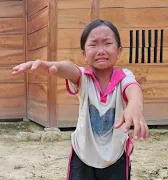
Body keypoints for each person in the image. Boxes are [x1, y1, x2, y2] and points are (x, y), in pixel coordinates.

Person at [12, 19, 149, 180]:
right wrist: (50, 66)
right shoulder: (84, 78)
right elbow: (70, 69)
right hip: (82, 156)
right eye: (93, 44)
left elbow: (133, 89)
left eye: (107, 43)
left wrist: (135, 105)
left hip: (116, 155)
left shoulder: (124, 76)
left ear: (118, 51)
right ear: (84, 54)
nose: (101, 50)